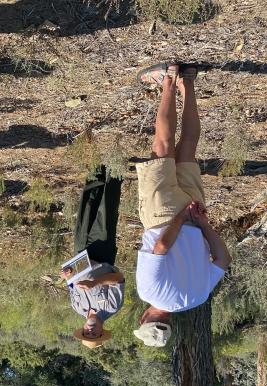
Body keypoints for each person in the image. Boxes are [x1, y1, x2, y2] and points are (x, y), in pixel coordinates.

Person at [133, 62, 231, 347]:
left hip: (195, 215)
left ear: (168, 324)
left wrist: (201, 222)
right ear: (144, 319)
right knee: (163, 147)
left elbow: (222, 260)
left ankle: (187, 82)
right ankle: (167, 80)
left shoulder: (197, 298)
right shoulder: (149, 293)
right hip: (164, 215)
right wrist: (179, 217)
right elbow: (160, 248)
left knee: (188, 146)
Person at [60, 166, 125, 349]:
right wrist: (95, 284)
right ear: (102, 332)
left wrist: (67, 275)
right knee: (106, 209)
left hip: (80, 255)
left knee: (86, 208)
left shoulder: (77, 307)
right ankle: (114, 167)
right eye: (94, 335)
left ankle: (97, 168)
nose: (90, 331)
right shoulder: (112, 307)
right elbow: (119, 279)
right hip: (103, 254)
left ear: (82, 329)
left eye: (87, 334)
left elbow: (72, 284)